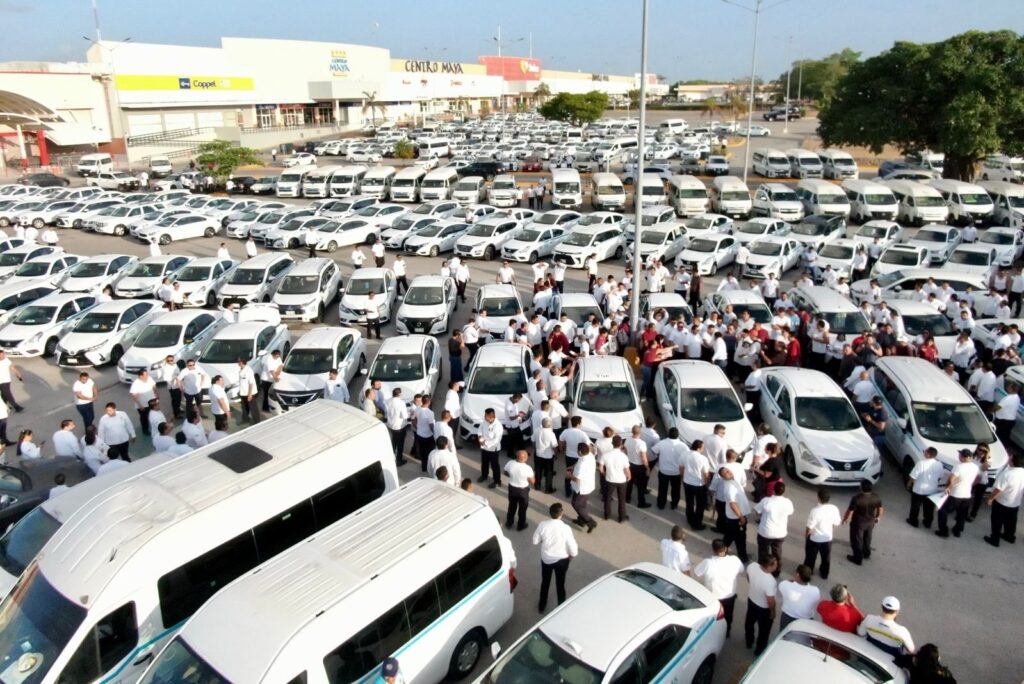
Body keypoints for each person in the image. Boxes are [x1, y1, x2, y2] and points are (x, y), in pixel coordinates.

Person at [694, 539, 746, 637]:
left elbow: (697, 572)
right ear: (725, 549)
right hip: (729, 596)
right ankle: (726, 632)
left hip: (713, 597)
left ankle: (712, 634)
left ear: (713, 550)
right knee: (728, 616)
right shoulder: (734, 560)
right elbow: (741, 570)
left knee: (713, 617)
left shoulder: (708, 563)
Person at [533, 502, 578, 613]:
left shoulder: (542, 525)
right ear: (561, 514)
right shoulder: (566, 528)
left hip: (546, 559)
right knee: (560, 583)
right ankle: (561, 607)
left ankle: (541, 606)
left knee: (545, 582)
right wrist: (572, 555)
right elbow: (572, 546)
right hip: (562, 560)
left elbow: (535, 541)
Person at [936, 448, 979, 538]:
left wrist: (948, 488)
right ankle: (957, 530)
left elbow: (951, 480)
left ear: (965, 457)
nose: (959, 457)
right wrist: (970, 485)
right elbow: (978, 478)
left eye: (960, 455)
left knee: (943, 511)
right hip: (967, 495)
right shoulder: (975, 467)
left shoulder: (959, 467)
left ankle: (943, 531)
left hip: (956, 494)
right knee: (961, 514)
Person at [754, 481, 794, 576]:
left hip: (765, 532)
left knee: (763, 551)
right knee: (777, 552)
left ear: (773, 490)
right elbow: (790, 513)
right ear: (784, 491)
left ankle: (763, 570)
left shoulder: (766, 501)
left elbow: (757, 511)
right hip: (780, 533)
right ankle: (776, 571)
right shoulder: (788, 502)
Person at [985, 451, 1023, 547]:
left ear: (1013, 462)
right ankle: (1009, 536)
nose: (1009, 458)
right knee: (1011, 521)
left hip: (1002, 502)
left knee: (997, 521)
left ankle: (995, 539)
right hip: (1015, 502)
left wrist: (991, 498)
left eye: (1010, 458)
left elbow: (999, 489)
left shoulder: (1007, 474)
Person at [804, 488, 841, 580]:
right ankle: (824, 573)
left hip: (814, 538)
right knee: (826, 557)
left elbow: (810, 526)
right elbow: (836, 523)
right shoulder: (834, 508)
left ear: (818, 498)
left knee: (810, 557)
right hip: (827, 538)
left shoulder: (815, 510)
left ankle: (808, 572)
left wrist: (806, 535)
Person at [843, 479, 883, 565]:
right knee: (867, 538)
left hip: (859, 523)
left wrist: (845, 519)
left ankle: (857, 558)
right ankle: (866, 553)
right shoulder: (876, 497)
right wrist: (878, 517)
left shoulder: (856, 498)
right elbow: (880, 508)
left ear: (861, 488)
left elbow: (850, 511)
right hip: (870, 522)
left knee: (857, 540)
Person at [745, 554, 778, 655]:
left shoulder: (752, 565)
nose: (776, 565)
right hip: (763, 609)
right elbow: (770, 600)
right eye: (775, 564)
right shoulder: (770, 581)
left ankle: (749, 641)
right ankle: (759, 650)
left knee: (749, 622)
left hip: (751, 600)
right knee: (764, 631)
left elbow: (748, 576)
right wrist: (773, 612)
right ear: (769, 566)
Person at [907, 447, 944, 529]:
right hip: (932, 490)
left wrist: (909, 483)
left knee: (915, 506)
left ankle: (913, 521)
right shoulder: (939, 464)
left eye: (925, 451)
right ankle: (928, 522)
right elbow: (940, 476)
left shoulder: (921, 463)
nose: (923, 453)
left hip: (919, 489)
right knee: (929, 508)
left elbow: (913, 476)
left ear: (928, 454)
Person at [719, 466, 751, 563]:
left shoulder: (733, 481)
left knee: (730, 535)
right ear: (723, 477)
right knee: (740, 537)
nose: (729, 472)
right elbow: (732, 503)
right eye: (726, 473)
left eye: (728, 471)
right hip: (736, 517)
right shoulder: (729, 487)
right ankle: (743, 557)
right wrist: (741, 517)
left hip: (736, 516)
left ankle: (721, 548)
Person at [777, 565, 820, 631]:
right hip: (806, 619)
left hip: (788, 617)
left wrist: (792, 580)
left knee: (784, 635)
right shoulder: (815, 590)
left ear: (797, 575)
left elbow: (782, 584)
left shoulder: (785, 585)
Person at [681, 439, 712, 530]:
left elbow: (681, 467)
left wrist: (683, 478)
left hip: (687, 483)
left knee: (689, 502)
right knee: (700, 505)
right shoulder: (703, 459)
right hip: (699, 485)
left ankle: (690, 519)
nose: (703, 449)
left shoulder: (685, 454)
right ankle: (697, 524)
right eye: (703, 448)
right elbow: (706, 474)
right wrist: (707, 484)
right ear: (699, 448)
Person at [569, 443, 598, 533]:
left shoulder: (582, 464)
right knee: (582, 504)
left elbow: (577, 479)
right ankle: (581, 520)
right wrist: (573, 467)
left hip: (582, 488)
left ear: (580, 452)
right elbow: (578, 461)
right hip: (588, 485)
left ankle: (590, 521)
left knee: (576, 504)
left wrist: (569, 475)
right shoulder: (589, 455)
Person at [601, 436, 631, 522]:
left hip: (609, 479)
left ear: (612, 444)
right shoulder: (623, 456)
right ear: (621, 444)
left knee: (607, 498)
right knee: (621, 499)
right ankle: (622, 517)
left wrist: (604, 474)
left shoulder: (605, 455)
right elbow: (626, 470)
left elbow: (601, 467)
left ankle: (607, 515)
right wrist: (629, 476)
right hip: (621, 480)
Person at [505, 449, 536, 531]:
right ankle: (521, 525)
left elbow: (505, 472)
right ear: (525, 458)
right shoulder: (528, 468)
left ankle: (509, 523)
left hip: (512, 488)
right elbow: (533, 481)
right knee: (522, 509)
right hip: (523, 491)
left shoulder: (510, 463)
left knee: (511, 506)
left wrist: (512, 475)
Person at [478, 408, 503, 488]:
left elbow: (496, 440)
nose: (484, 416)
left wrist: (485, 443)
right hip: (484, 448)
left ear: (490, 416)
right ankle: (484, 475)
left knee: (494, 466)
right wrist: (480, 438)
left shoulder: (498, 426)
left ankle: (497, 480)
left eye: (485, 415)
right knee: (484, 463)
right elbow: (480, 430)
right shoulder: (484, 422)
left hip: (493, 449)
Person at [385, 388, 410, 466]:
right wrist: (409, 413)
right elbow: (405, 416)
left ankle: (392, 457)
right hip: (399, 426)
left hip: (390, 425)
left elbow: (386, 412)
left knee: (393, 441)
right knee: (400, 444)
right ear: (399, 394)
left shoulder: (388, 401)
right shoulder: (401, 403)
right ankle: (399, 460)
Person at [129, 370, 157, 436]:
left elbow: (154, 386)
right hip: (143, 405)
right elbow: (133, 395)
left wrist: (157, 394)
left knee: (153, 415)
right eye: (146, 375)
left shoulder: (149, 379)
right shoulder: (136, 384)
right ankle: (145, 430)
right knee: (144, 418)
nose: (147, 375)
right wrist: (140, 405)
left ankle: (154, 427)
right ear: (141, 376)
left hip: (152, 401)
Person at [237, 357, 261, 424]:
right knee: (244, 407)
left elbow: (251, 383)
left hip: (249, 393)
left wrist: (250, 394)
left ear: (242, 362)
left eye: (239, 362)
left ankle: (257, 421)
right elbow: (241, 382)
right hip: (243, 392)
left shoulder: (248, 370)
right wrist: (240, 390)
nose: (238, 363)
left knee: (253, 407)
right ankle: (245, 419)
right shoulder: (241, 370)